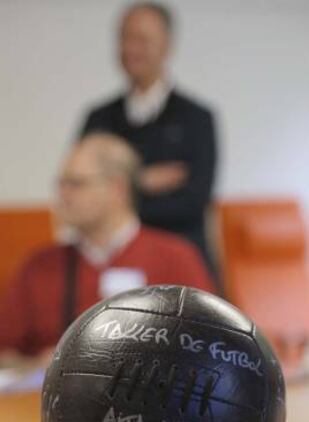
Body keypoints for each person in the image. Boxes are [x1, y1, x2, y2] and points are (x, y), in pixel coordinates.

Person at [0, 133, 215, 368]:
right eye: (60, 184)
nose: (62, 195)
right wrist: (38, 366)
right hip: (55, 400)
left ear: (117, 188)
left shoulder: (177, 257)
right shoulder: (40, 265)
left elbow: (211, 348)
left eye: (75, 183)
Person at [80, 2, 219, 279]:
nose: (130, 49)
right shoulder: (98, 119)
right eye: (124, 38)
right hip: (111, 269)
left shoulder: (197, 119)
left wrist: (119, 193)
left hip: (181, 271)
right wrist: (141, 180)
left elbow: (193, 203)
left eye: (141, 40)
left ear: (167, 46)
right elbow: (85, 194)